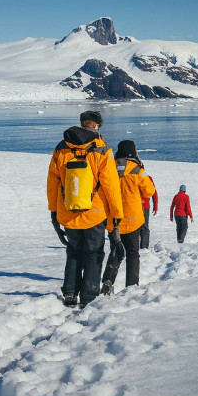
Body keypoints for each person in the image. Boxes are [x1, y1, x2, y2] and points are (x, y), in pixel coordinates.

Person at [47, 110, 123, 308]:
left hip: (67, 209)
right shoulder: (102, 149)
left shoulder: (61, 147)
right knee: (93, 252)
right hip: (94, 213)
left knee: (73, 250)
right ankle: (89, 297)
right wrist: (116, 214)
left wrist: (54, 210)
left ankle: (70, 292)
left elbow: (53, 182)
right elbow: (111, 186)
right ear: (97, 125)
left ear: (82, 123)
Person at [101, 140, 155, 295]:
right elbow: (149, 191)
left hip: (113, 219)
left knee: (116, 251)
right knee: (132, 254)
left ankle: (107, 281)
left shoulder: (109, 167)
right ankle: (131, 287)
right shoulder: (137, 170)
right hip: (133, 219)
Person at [140, 175, 158, 249]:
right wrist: (155, 206)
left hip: (134, 206)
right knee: (144, 227)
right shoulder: (148, 178)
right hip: (145, 206)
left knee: (135, 227)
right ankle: (144, 247)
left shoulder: (131, 175)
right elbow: (154, 193)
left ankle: (136, 246)